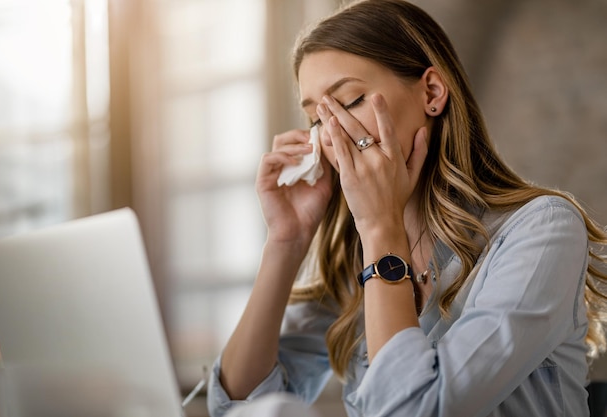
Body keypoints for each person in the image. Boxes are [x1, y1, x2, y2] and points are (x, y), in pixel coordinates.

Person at [206, 0, 607, 416]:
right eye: (317, 119)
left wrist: (381, 228)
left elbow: (416, 410)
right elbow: (238, 405)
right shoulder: (352, 261)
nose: (334, 133)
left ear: (431, 93)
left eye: (350, 100)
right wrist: (285, 240)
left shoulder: (543, 230)